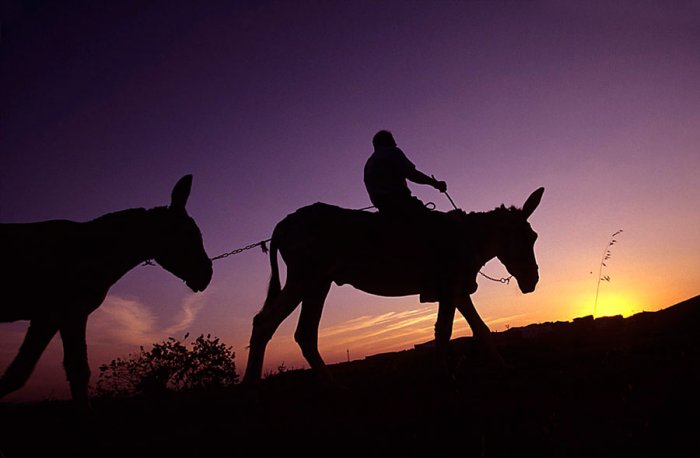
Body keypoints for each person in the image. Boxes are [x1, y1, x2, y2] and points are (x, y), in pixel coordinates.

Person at [363, 130, 447, 216]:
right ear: (385, 141)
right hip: (401, 204)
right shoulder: (392, 151)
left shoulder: (368, 164)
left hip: (384, 208)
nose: (395, 144)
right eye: (392, 140)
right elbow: (412, 174)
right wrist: (435, 183)